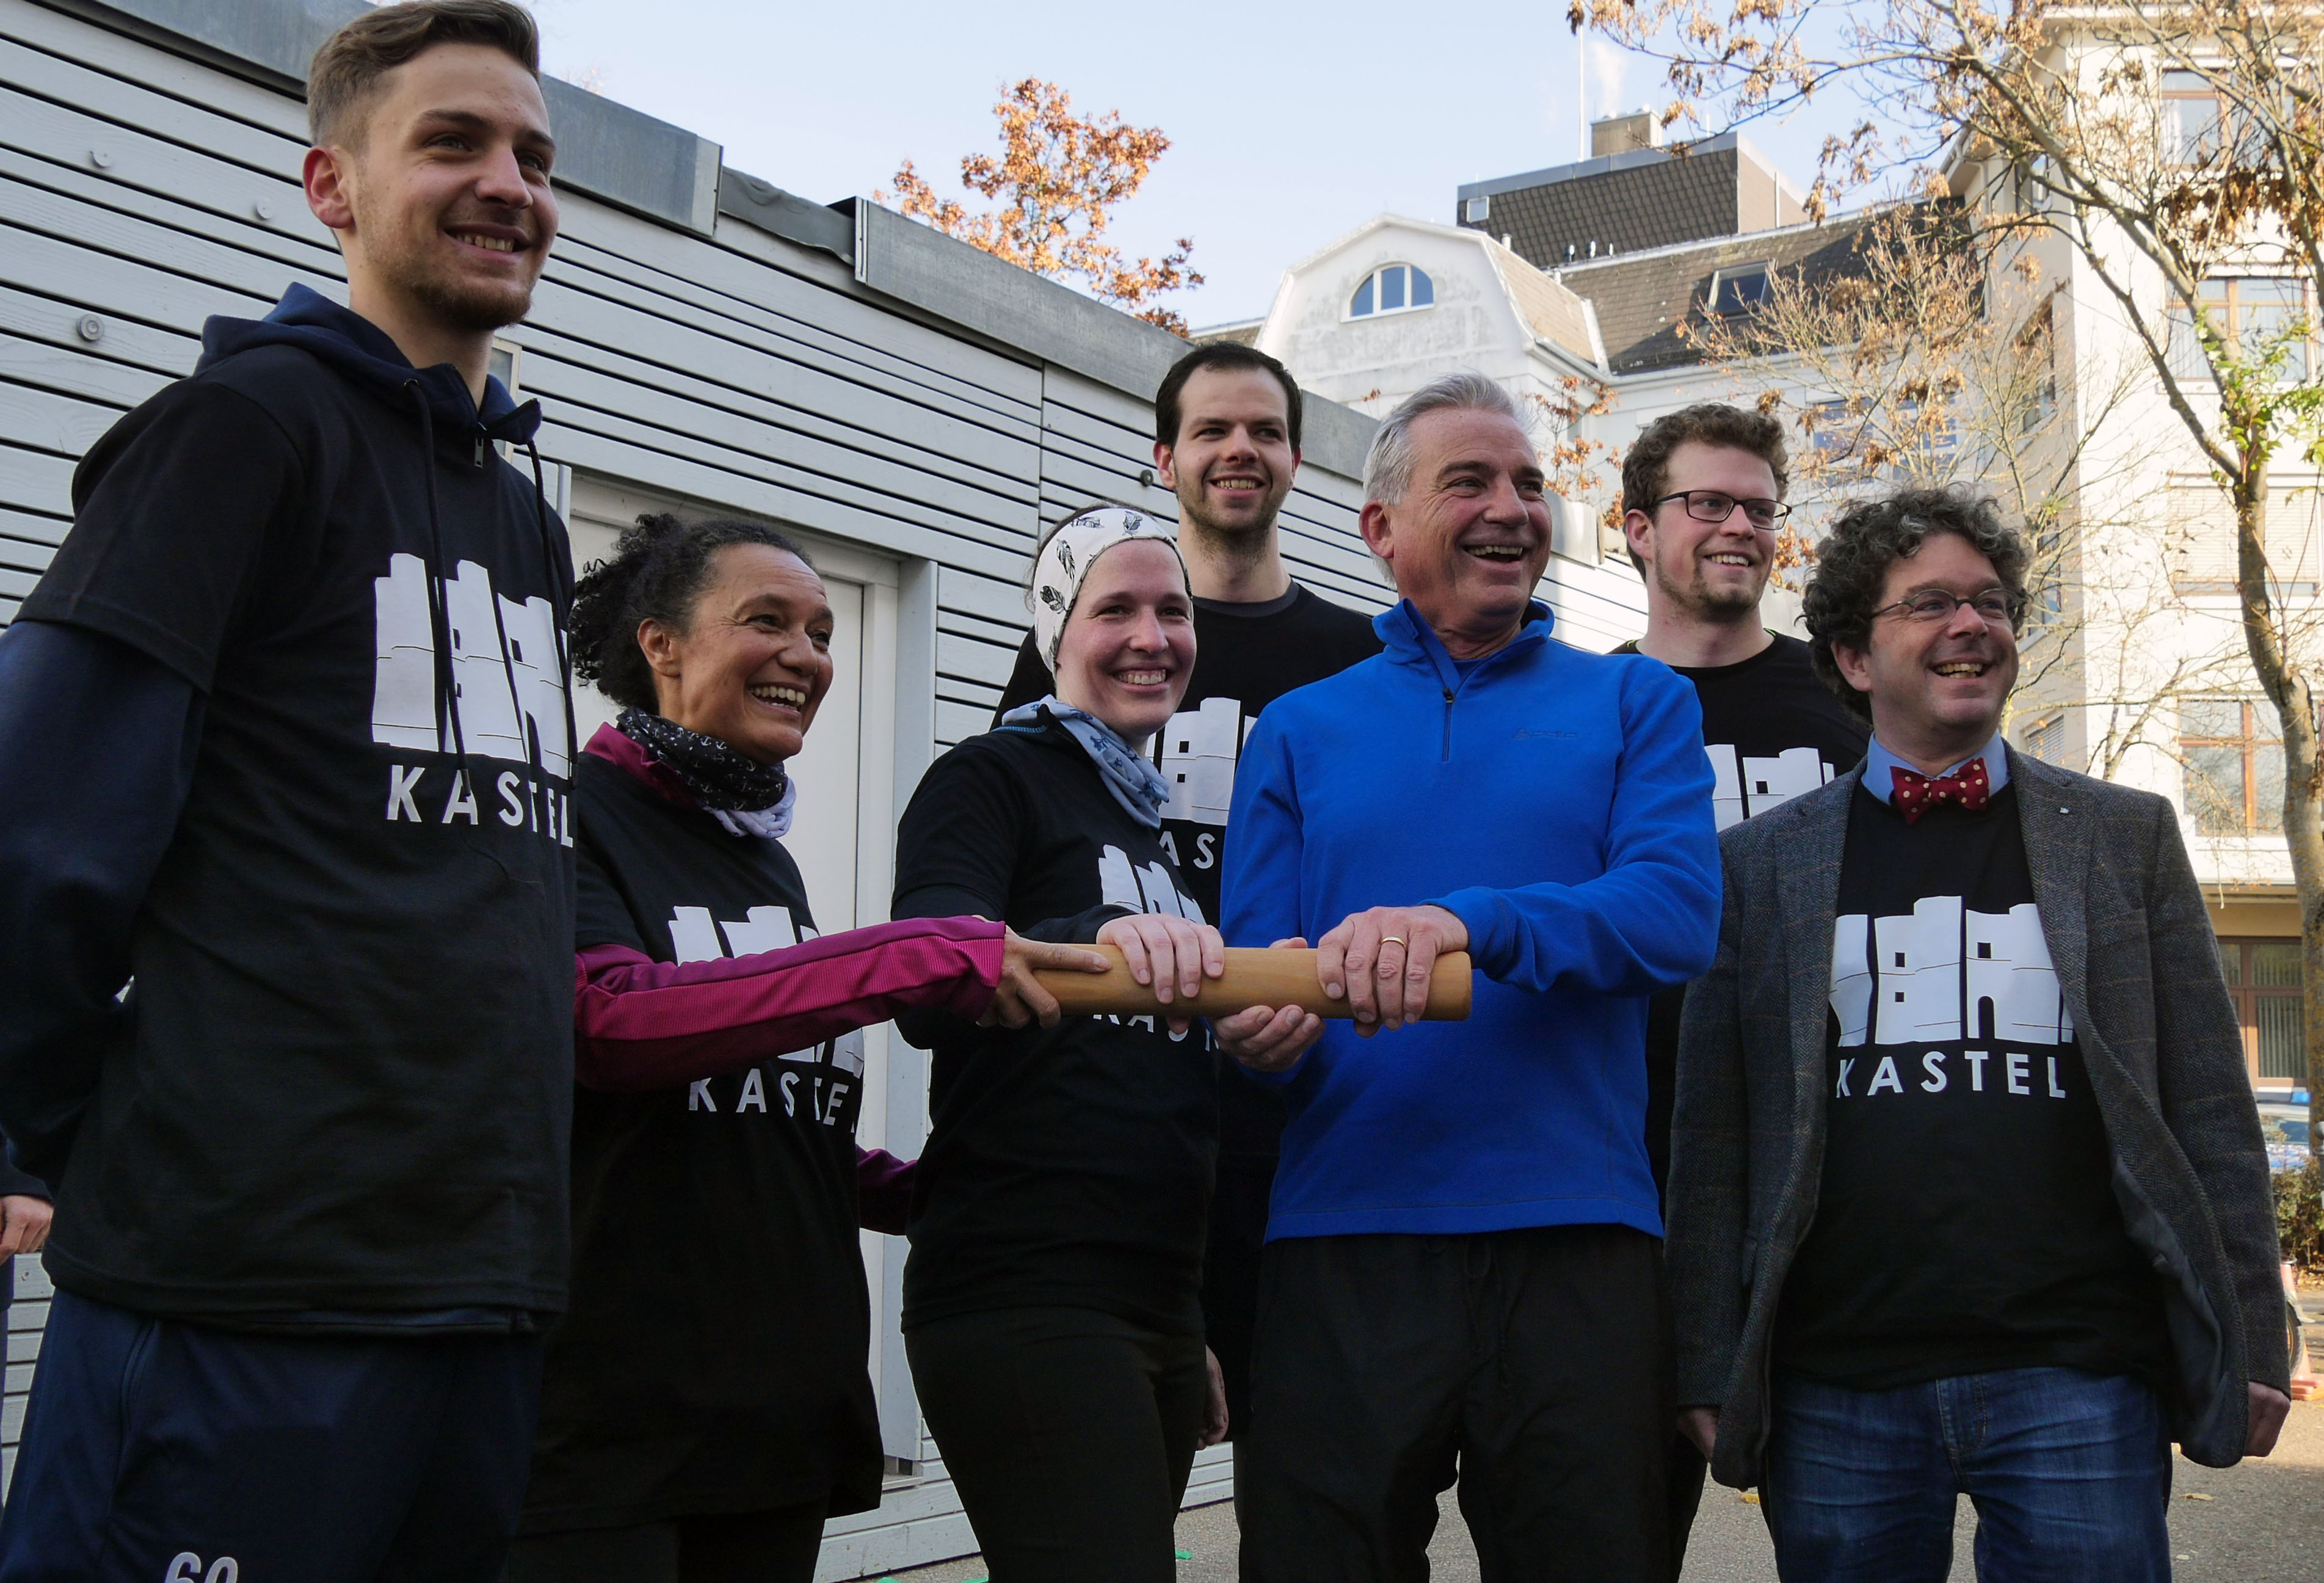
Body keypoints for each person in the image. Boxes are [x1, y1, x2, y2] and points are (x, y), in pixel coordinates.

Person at [0, 5, 580, 1576]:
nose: (509, 184)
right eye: (452, 142)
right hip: (239, 1280)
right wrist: (39, 1129)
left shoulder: (524, 519)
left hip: (478, 1286)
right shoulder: (234, 434)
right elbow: (44, 823)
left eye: (533, 155)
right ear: (329, 186)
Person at [1669, 487, 2290, 1582]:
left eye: (1992, 602)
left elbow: (2207, 1106)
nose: (1972, 625)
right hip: (1836, 1381)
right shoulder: (1758, 866)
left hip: (2083, 1374)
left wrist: (2252, 1325)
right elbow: (1713, 1138)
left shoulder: (2121, 837)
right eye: (1931, 604)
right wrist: (1707, 1360)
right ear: (1855, 659)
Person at [506, 515, 1107, 1582]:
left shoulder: (761, 863)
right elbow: (609, 1025)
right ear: (662, 645)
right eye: (767, 621)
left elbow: (767, 1125)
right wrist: (902, 958)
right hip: (605, 1432)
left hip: (773, 1422)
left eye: (823, 632)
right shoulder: (572, 817)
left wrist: (951, 1198)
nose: (808, 656)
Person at [1218, 373, 1722, 1581]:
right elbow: (1256, 973)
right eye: (1470, 483)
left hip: (1576, 1243)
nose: (1513, 510)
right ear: (1381, 527)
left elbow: (1673, 916)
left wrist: (1465, 923)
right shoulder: (1296, 728)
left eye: (1531, 485)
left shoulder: (1635, 700)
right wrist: (1255, 1029)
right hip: (1340, 1240)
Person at [993, 343, 1379, 1446]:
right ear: (1163, 458)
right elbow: (1020, 848)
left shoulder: (1355, 661)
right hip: (1125, 1109)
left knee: (1304, 1464)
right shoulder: (1087, 633)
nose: (1237, 451)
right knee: (1127, 1463)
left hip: (1298, 1114)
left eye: (1261, 430)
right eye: (1210, 431)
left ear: (1298, 459)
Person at [896, 506, 1259, 1583]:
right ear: (1056, 633)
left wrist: (1177, 1316)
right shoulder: (990, 778)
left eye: (1173, 611)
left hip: (1143, 1295)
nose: (1152, 636)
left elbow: (1144, 1086)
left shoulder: (1146, 822)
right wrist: (1096, 938)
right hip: (1024, 1286)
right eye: (1115, 609)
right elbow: (929, 973)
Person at [1611, 402, 1869, 1572]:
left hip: (1819, 1169)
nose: (1739, 527)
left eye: (1760, 508)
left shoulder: (1849, 708)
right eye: (1706, 503)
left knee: (1849, 1534)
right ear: (1632, 530)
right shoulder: (1580, 708)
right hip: (1628, 1163)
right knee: (1614, 1533)